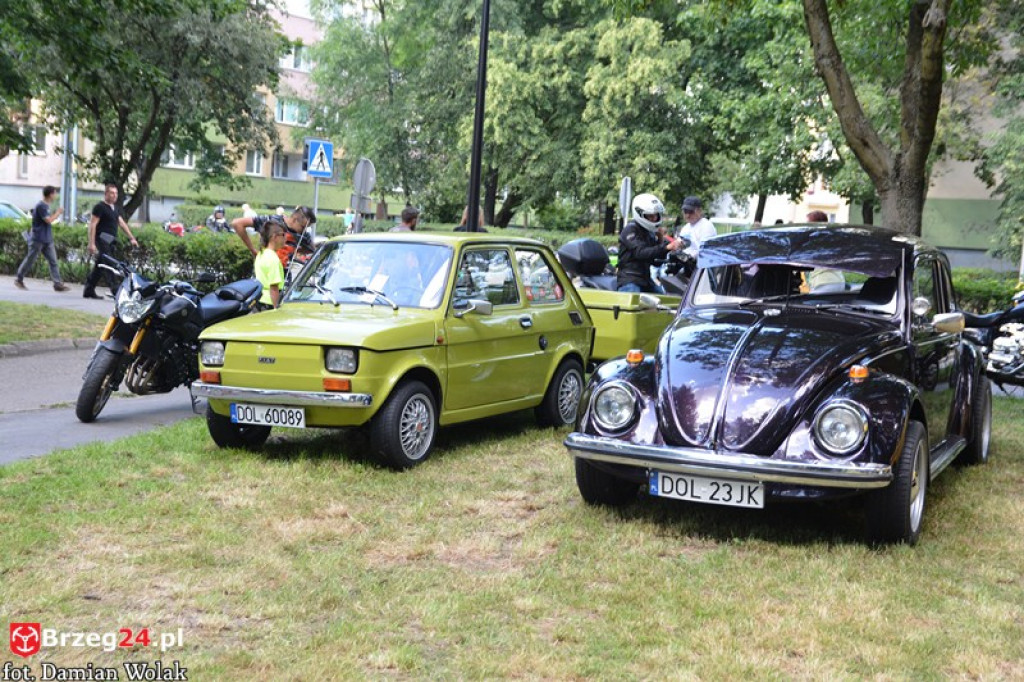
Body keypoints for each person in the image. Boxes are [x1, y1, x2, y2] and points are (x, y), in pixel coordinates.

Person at [617, 193, 681, 293]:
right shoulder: (630, 230)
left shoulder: (649, 232)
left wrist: (661, 240)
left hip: (645, 280)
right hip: (629, 280)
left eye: (656, 215)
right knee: (635, 305)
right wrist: (666, 247)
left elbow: (655, 261)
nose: (654, 218)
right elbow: (641, 252)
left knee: (665, 302)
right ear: (640, 214)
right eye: (650, 216)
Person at [83, 183, 138, 299]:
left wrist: (132, 238)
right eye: (112, 193)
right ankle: (116, 291)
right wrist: (91, 243)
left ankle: (89, 289)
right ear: (106, 194)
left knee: (100, 265)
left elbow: (122, 223)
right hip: (101, 239)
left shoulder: (115, 208)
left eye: (116, 193)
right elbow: (92, 225)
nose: (114, 195)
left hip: (110, 241)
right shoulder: (99, 207)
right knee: (108, 264)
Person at [15, 185, 69, 292]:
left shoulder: (46, 206)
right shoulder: (41, 206)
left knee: (53, 261)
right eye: (55, 193)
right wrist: (58, 213)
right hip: (38, 239)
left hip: (47, 239)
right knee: (30, 259)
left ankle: (57, 284)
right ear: (50, 194)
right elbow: (48, 220)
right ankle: (19, 279)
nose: (55, 195)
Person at [231, 205, 317, 270]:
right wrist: (253, 250)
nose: (304, 230)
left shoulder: (303, 235)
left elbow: (314, 251)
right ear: (295, 219)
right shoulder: (271, 221)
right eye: (303, 227)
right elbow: (237, 223)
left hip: (284, 279)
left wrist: (294, 251)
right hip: (264, 274)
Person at [255, 222, 287, 310]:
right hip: (269, 302)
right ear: (274, 237)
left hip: (260, 299)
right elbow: (274, 288)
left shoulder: (261, 253)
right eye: (283, 235)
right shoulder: (273, 258)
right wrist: (276, 308)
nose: (286, 238)